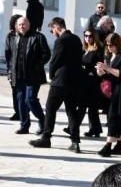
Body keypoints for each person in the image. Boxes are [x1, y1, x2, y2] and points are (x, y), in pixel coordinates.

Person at [30, 17, 83, 151]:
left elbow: (54, 61)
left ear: (57, 27)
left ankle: (46, 137)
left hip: (61, 80)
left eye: (52, 30)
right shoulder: (76, 39)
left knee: (50, 108)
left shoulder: (61, 41)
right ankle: (75, 141)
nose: (52, 33)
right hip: (75, 80)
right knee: (71, 110)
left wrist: (52, 76)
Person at [8, 16, 50, 135]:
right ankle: (24, 125)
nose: (22, 26)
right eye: (20, 24)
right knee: (21, 100)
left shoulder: (38, 37)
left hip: (33, 75)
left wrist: (37, 65)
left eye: (24, 24)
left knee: (30, 99)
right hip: (19, 75)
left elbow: (46, 53)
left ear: (29, 25)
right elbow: (12, 57)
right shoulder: (14, 38)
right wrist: (10, 72)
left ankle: (43, 121)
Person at [95, 33, 121, 157]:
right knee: (115, 119)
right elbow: (110, 76)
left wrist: (107, 68)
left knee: (113, 118)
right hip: (112, 91)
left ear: (117, 44)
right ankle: (120, 144)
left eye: (111, 45)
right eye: (107, 45)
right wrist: (101, 72)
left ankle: (108, 145)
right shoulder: (111, 56)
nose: (109, 47)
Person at [76, 29, 106, 138]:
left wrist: (89, 71)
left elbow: (98, 66)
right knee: (92, 107)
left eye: (90, 36)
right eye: (86, 36)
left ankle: (73, 127)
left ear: (95, 37)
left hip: (92, 82)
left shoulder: (98, 50)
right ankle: (95, 129)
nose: (88, 38)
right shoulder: (84, 49)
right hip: (84, 81)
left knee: (83, 106)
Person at [3, 14, 23, 121]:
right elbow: (7, 54)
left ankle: (23, 111)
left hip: (23, 69)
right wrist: (9, 69)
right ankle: (17, 112)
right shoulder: (10, 36)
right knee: (14, 91)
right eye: (18, 24)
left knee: (22, 92)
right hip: (12, 68)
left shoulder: (25, 36)